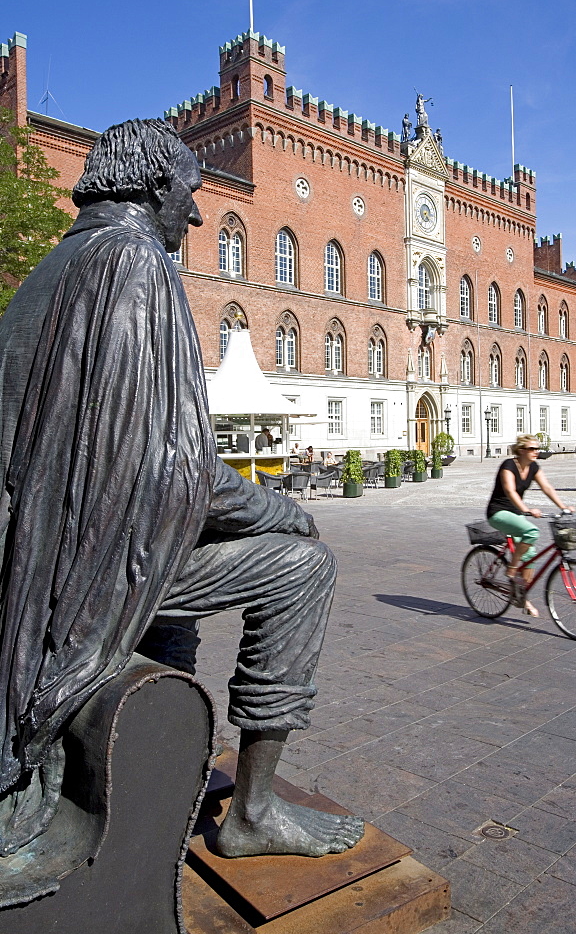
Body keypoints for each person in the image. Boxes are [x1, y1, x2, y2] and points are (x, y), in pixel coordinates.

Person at [0, 118, 363, 862]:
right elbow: (175, 469)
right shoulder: (134, 265)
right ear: (157, 186)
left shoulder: (54, 269)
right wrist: (281, 510)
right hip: (74, 576)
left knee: (178, 549)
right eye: (191, 192)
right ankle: (253, 812)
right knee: (302, 567)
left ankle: (155, 766)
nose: (196, 215)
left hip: (35, 562)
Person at [486, 435, 573, 617]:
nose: (536, 452)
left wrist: (563, 507)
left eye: (537, 449)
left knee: (531, 555)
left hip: (516, 515)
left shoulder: (533, 467)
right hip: (498, 513)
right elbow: (509, 491)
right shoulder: (508, 466)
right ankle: (511, 569)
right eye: (532, 449)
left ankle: (520, 596)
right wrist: (526, 509)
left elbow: (547, 487)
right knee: (531, 531)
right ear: (522, 450)